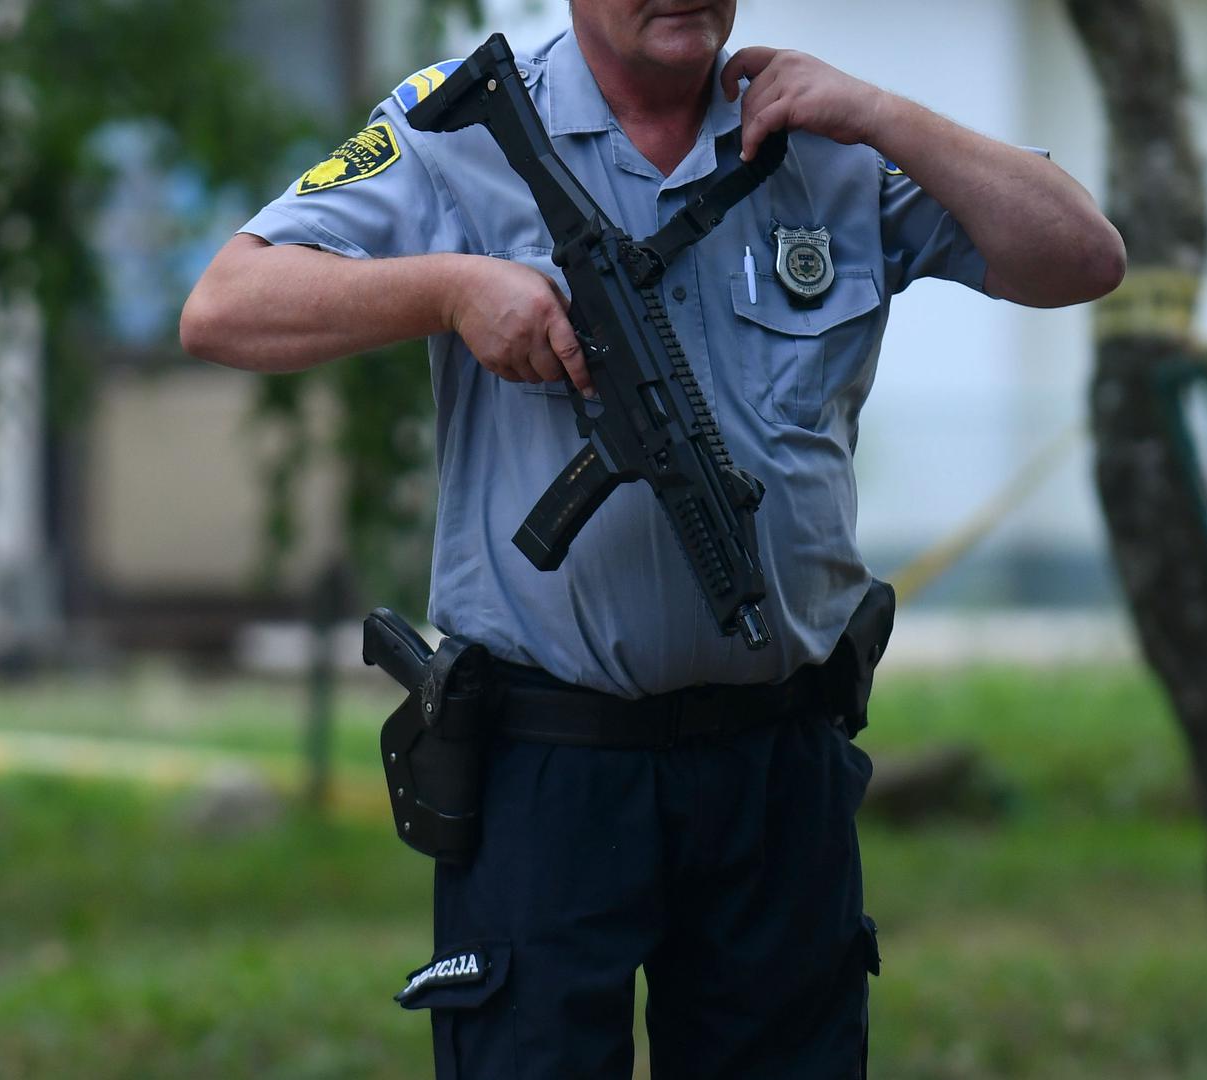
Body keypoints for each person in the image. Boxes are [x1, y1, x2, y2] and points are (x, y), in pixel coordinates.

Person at [182, 1, 1124, 1075]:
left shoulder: (822, 135)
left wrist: (881, 114)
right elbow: (225, 305)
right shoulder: (461, 127)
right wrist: (449, 290)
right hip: (549, 768)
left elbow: (1083, 258)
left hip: (778, 764)